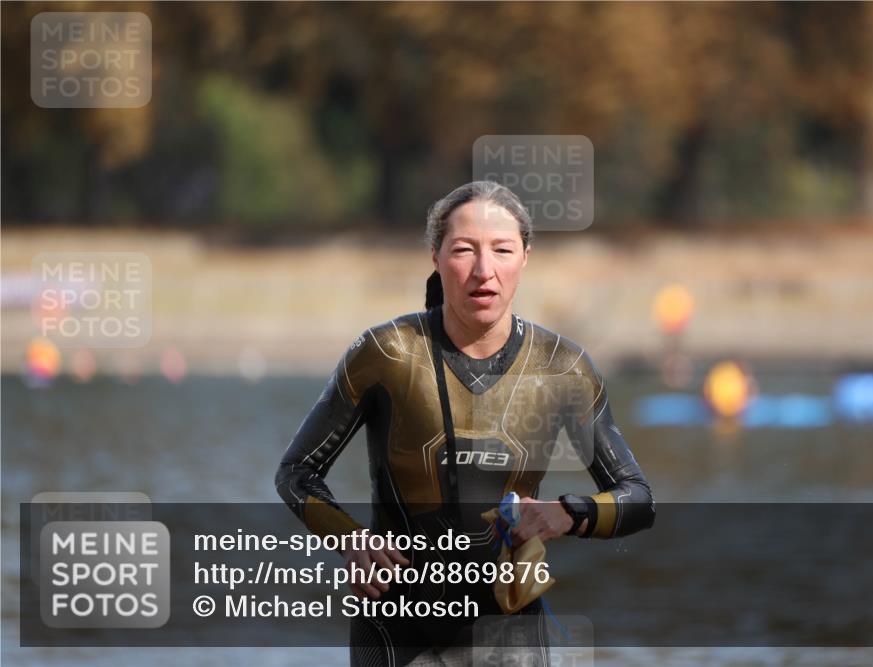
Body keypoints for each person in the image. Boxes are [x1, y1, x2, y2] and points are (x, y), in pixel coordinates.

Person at [275, 181, 655, 666]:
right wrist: (351, 539)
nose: (484, 270)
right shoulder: (387, 354)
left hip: (509, 631)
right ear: (435, 256)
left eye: (501, 250)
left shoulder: (561, 367)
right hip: (394, 629)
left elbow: (638, 498)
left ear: (525, 256)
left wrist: (569, 511)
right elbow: (296, 474)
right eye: (463, 250)